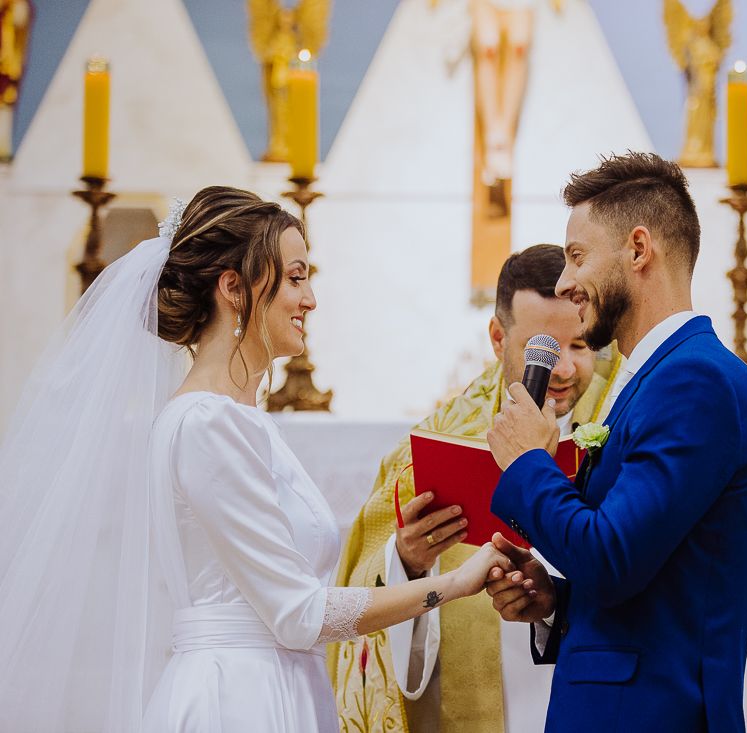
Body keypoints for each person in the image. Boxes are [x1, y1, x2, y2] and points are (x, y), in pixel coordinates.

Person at [0, 186, 511, 731]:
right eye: (294, 278)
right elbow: (299, 614)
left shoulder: (241, 422)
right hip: (238, 697)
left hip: (276, 681)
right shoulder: (207, 425)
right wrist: (456, 584)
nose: (310, 299)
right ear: (233, 289)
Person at [483, 152, 747, 732]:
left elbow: (611, 558)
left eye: (577, 256)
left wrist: (529, 462)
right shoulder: (658, 377)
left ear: (638, 249)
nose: (565, 283)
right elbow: (649, 573)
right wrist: (556, 600)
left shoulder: (695, 381)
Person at [330, 244, 621, 732]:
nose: (564, 369)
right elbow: (361, 579)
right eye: (543, 349)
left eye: (578, 345)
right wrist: (408, 562)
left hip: (592, 685)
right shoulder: (442, 440)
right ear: (497, 338)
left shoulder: (624, 421)